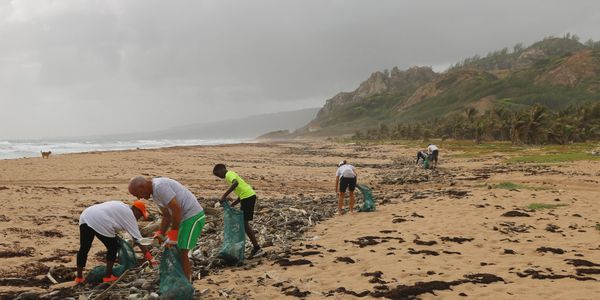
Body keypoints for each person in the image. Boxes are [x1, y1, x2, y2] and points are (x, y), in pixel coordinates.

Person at [128, 176, 205, 282]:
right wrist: (161, 233)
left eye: (137, 194)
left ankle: (187, 283)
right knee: (176, 248)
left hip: (193, 216)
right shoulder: (155, 194)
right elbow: (166, 215)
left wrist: (173, 233)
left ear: (142, 186)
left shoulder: (160, 187)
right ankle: (181, 278)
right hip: (184, 219)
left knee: (183, 250)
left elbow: (176, 209)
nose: (138, 198)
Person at [76, 200, 154, 284]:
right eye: (140, 214)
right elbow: (138, 239)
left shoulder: (121, 205)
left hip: (86, 215)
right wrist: (149, 257)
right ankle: (108, 277)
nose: (139, 218)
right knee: (113, 247)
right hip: (100, 220)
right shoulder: (130, 214)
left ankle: (79, 277)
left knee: (84, 247)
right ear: (135, 209)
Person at [212, 164, 265, 258]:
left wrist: (224, 196)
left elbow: (235, 183)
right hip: (247, 196)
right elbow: (241, 191)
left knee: (244, 223)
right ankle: (255, 247)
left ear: (222, 169)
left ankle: (257, 247)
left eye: (218, 174)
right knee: (244, 223)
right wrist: (234, 203)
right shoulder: (230, 175)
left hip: (248, 197)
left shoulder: (229, 174)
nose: (219, 177)